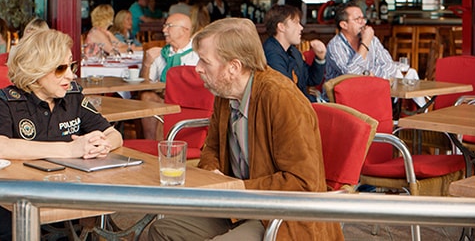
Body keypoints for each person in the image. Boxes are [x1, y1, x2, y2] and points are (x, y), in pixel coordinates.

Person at [147, 18, 343, 241]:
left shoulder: (281, 98)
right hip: (237, 207)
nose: (197, 68)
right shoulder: (226, 91)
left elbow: (303, 183)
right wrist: (213, 175)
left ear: (234, 67)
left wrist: (238, 187)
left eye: (204, 61)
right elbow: (210, 148)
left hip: (282, 216)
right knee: (162, 230)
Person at [0, 29, 123, 240]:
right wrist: (70, 149)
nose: (71, 75)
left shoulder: (73, 97)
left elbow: (113, 133)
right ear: (35, 69)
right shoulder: (6, 100)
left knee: (82, 224)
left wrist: (100, 144)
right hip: (7, 200)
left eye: (71, 66)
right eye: (61, 68)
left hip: (60, 195)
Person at [139, 13, 199, 140]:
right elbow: (143, 84)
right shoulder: (161, 53)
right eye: (165, 26)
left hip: (189, 103)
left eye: (169, 26)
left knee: (165, 109)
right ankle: (151, 146)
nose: (163, 30)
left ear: (184, 30)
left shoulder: (198, 53)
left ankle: (162, 149)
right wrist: (147, 63)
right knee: (147, 97)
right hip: (164, 100)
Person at [263, 5, 326, 102]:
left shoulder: (292, 51)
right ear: (281, 27)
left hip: (299, 107)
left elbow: (311, 79)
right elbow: (287, 93)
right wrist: (316, 100)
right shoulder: (271, 54)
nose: (301, 27)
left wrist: (320, 58)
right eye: (296, 23)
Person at [325, 1, 397, 84]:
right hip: (343, 95)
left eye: (363, 18)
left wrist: (369, 75)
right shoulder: (335, 46)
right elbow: (351, 75)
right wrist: (365, 43)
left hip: (370, 91)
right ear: (344, 25)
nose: (363, 22)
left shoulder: (372, 40)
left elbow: (391, 67)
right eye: (358, 19)